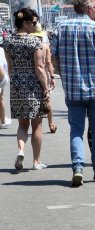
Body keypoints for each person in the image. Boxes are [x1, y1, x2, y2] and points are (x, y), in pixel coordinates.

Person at [52, 0, 95, 187]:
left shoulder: (60, 28)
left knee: (76, 131)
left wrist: (63, 73)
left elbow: (53, 57)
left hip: (72, 90)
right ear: (89, 8)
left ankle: (78, 168)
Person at [6, 8, 49, 171]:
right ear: (25, 23)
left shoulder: (8, 41)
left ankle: (21, 150)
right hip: (33, 88)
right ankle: (37, 161)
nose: (35, 25)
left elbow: (10, 65)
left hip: (17, 86)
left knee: (22, 125)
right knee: (37, 125)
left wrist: (15, 80)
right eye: (33, 22)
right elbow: (39, 67)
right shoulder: (34, 42)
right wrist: (45, 88)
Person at [30, 23, 56, 134]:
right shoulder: (45, 46)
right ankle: (50, 123)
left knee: (32, 99)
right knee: (47, 98)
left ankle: (33, 124)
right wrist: (52, 76)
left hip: (30, 75)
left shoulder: (28, 45)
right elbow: (49, 63)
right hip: (43, 74)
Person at [0, 44, 9, 128]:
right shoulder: (2, 50)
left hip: (2, 77)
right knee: (1, 99)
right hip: (2, 77)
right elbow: (6, 65)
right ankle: (3, 121)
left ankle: (3, 120)